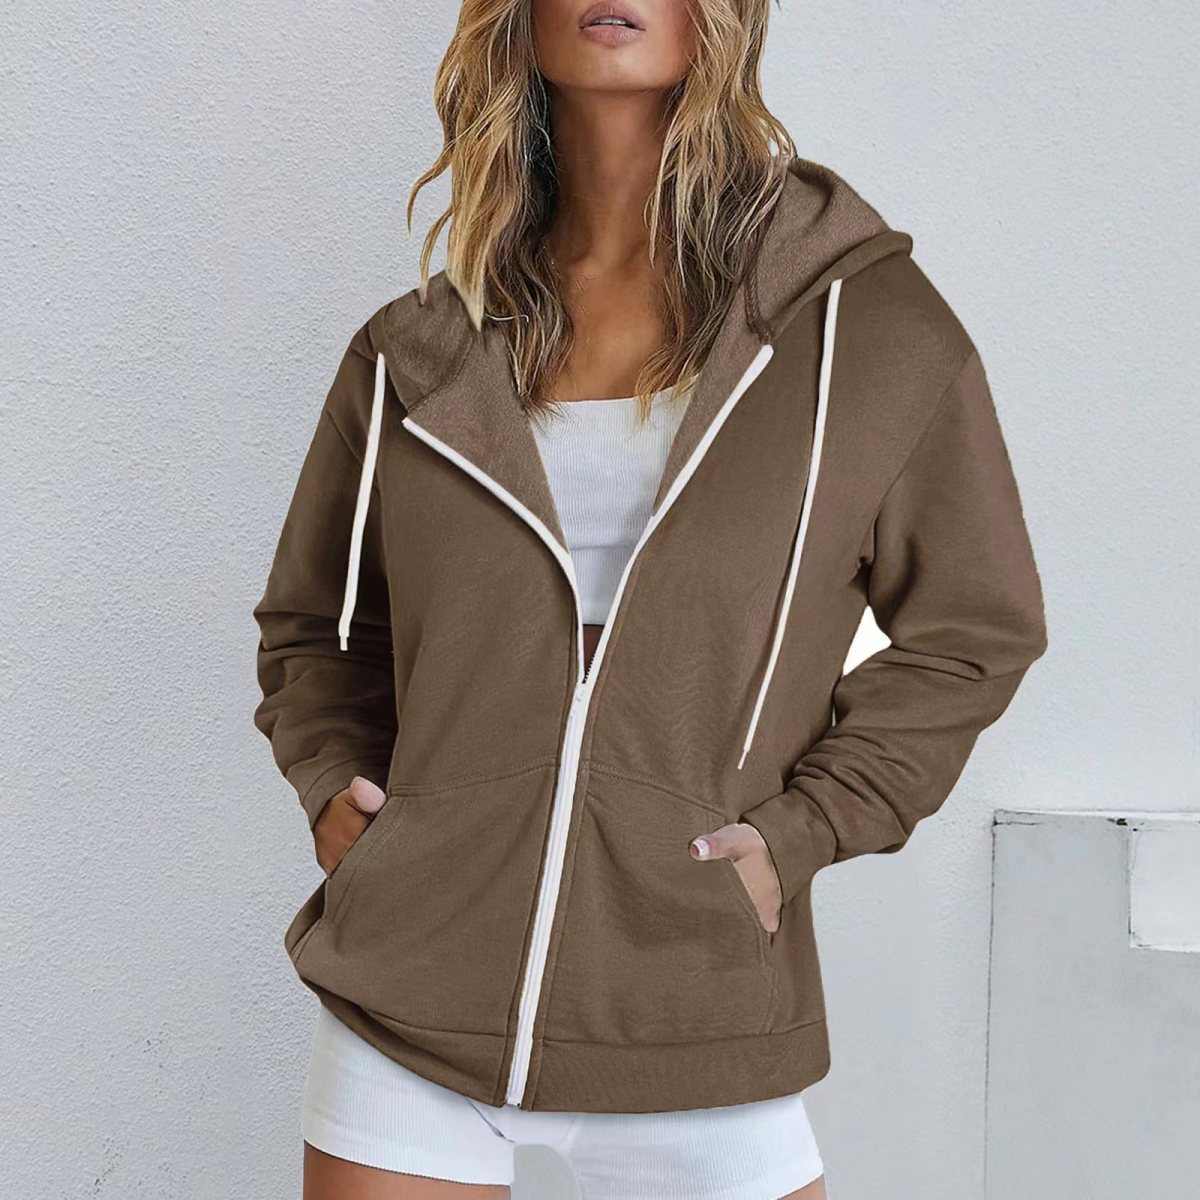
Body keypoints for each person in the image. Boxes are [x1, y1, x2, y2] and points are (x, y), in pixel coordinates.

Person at [252, 1, 1049, 1196]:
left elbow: (973, 630)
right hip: (412, 1000)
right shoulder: (417, 352)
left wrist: (800, 833)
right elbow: (319, 626)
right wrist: (337, 788)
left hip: (695, 999)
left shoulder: (866, 330)